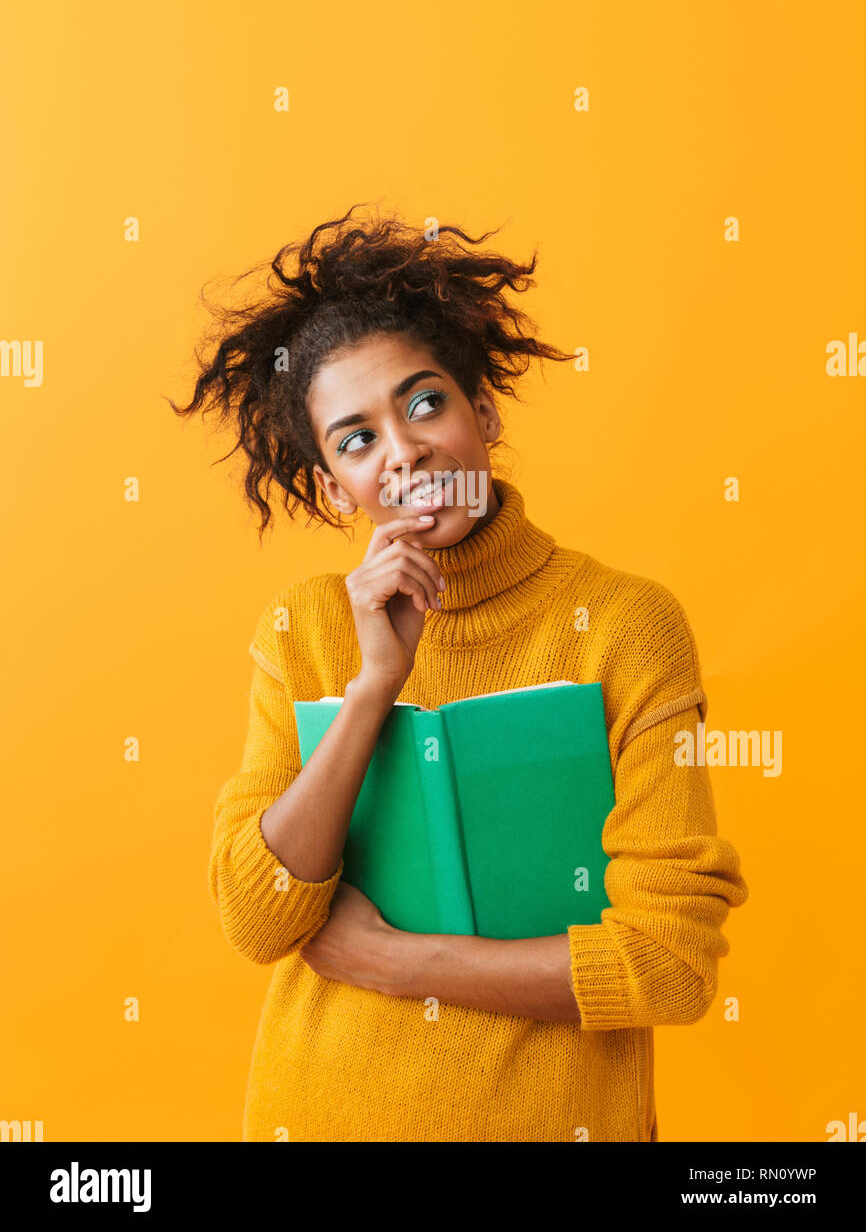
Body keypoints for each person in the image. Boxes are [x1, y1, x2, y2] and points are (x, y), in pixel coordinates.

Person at [169, 203, 748, 1142]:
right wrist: (370, 689)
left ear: (480, 409)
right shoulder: (304, 628)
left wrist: (396, 962)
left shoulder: (624, 626)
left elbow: (667, 966)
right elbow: (255, 917)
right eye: (355, 440)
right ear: (332, 485)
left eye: (424, 402)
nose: (402, 452)